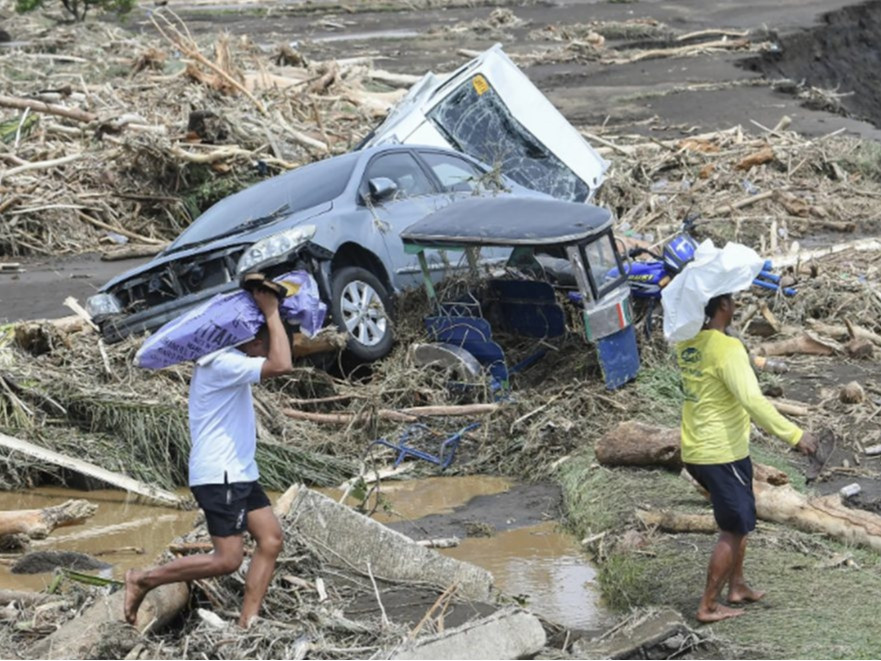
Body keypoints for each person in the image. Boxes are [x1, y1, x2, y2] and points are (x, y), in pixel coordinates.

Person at [124, 288, 293, 628]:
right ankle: (143, 578)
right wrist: (271, 309)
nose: (267, 348)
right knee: (227, 559)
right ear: (251, 340)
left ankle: (248, 623)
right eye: (267, 340)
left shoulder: (231, 358)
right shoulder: (221, 362)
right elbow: (282, 363)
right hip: (221, 475)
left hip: (239, 473)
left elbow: (279, 354)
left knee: (271, 539)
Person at [676, 292, 817, 624]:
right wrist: (796, 436)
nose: (735, 304)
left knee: (741, 517)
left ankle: (736, 586)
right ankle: (707, 606)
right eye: (731, 299)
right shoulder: (727, 349)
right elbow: (753, 401)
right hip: (720, 452)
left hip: (698, 448)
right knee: (734, 528)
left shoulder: (688, 344)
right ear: (723, 306)